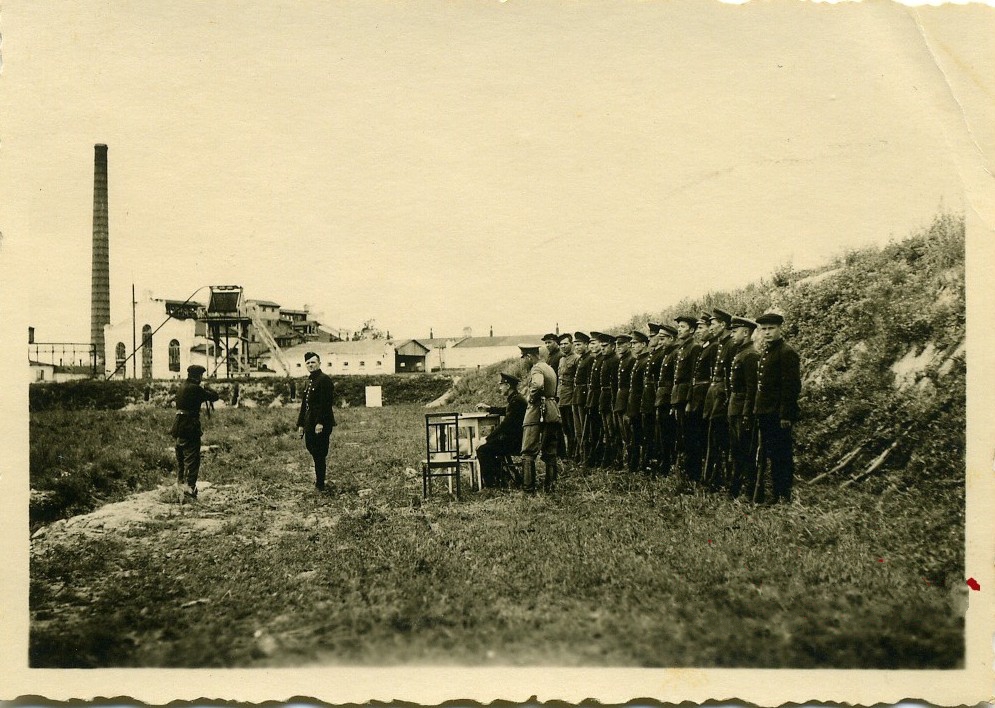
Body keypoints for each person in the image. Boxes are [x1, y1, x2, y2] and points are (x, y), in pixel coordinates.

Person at [753, 312, 801, 503]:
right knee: (771, 453)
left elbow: (791, 387)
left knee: (782, 455)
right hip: (766, 412)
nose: (767, 332)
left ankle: (783, 494)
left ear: (780, 329)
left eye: (771, 328)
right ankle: (775, 493)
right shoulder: (767, 351)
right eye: (763, 329)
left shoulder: (786, 352)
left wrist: (785, 415)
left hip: (778, 414)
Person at [171, 364, 220, 498]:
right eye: (201, 376)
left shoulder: (182, 387)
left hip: (179, 425)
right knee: (192, 459)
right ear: (198, 376)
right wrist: (208, 388)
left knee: (181, 459)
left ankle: (180, 487)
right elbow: (215, 397)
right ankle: (189, 490)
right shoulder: (195, 388)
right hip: (190, 427)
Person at [518, 344, 562, 493]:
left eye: (524, 358)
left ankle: (528, 489)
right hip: (552, 410)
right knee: (550, 451)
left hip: (538, 411)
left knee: (528, 451)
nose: (523, 361)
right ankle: (551, 487)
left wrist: (530, 398)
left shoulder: (536, 368)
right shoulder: (548, 367)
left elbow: (537, 384)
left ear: (529, 357)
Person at [475, 372, 528, 488]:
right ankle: (502, 477)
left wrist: (487, 439)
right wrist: (489, 408)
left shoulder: (516, 401)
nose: (500, 388)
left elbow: (505, 425)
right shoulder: (516, 399)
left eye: (501, 385)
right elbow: (506, 411)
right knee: (487, 448)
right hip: (516, 440)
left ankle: (492, 485)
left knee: (482, 450)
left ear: (508, 386)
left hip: (515, 443)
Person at [727, 316, 760, 499]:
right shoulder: (741, 353)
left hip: (742, 410)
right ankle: (735, 488)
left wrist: (747, 414)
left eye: (735, 331)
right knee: (736, 450)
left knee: (745, 450)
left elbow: (751, 389)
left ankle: (748, 490)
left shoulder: (750, 355)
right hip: (735, 407)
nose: (732, 334)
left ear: (746, 332)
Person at [296, 351, 337, 492]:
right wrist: (301, 424)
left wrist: (320, 423)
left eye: (313, 362)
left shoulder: (324, 380)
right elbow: (304, 404)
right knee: (311, 447)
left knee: (319, 452)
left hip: (321, 422)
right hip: (309, 421)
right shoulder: (309, 381)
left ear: (319, 363)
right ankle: (320, 480)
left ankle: (320, 484)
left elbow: (326, 403)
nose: (310, 365)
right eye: (308, 363)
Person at [556, 333, 579, 458]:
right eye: (561, 344)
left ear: (572, 344)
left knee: (572, 426)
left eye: (566, 343)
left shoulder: (576, 359)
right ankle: (569, 453)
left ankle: (574, 453)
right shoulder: (561, 359)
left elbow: (577, 380)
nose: (563, 346)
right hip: (562, 396)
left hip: (571, 396)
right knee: (565, 427)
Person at [572, 332, 593, 461]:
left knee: (585, 428)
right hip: (577, 395)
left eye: (579, 344)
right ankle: (580, 454)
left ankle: (586, 456)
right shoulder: (581, 359)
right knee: (578, 429)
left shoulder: (590, 359)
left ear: (586, 344)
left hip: (583, 396)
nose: (577, 347)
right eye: (575, 345)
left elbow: (590, 380)